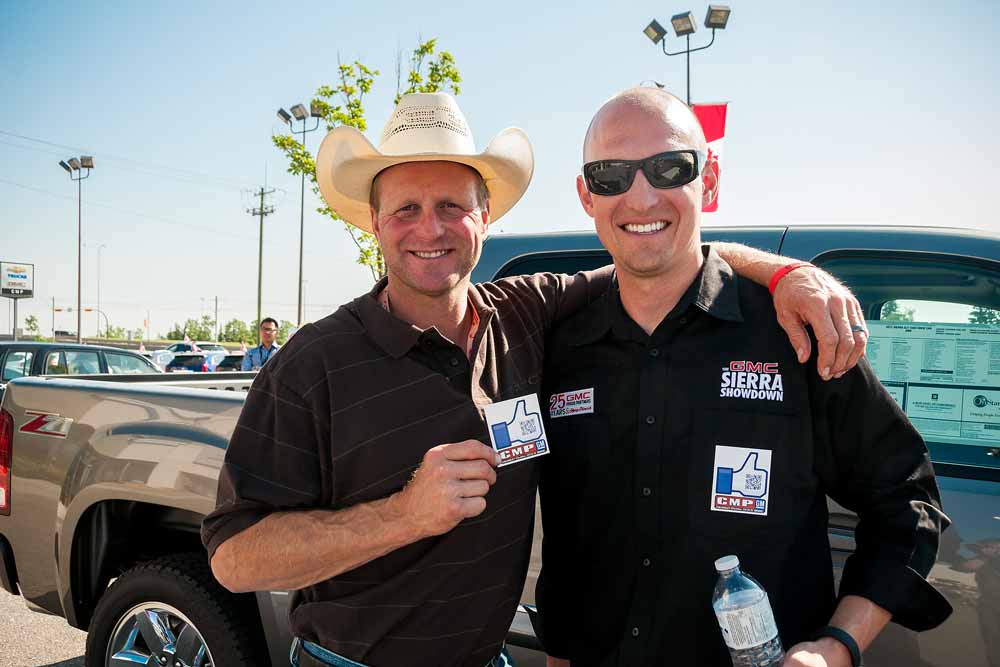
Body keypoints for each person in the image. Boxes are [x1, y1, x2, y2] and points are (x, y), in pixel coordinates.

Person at [201, 92, 868, 667]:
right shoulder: (314, 362)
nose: (430, 228)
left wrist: (786, 274)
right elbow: (234, 557)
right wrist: (403, 515)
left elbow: (659, 252)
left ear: (485, 215)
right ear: (374, 222)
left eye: (452, 205)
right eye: (405, 209)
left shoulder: (525, 312)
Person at [534, 87, 952, 667]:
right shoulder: (558, 348)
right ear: (586, 195)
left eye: (669, 168)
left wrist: (837, 647)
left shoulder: (795, 333)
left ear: (707, 181)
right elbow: (564, 542)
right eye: (611, 175)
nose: (641, 195)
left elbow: (905, 502)